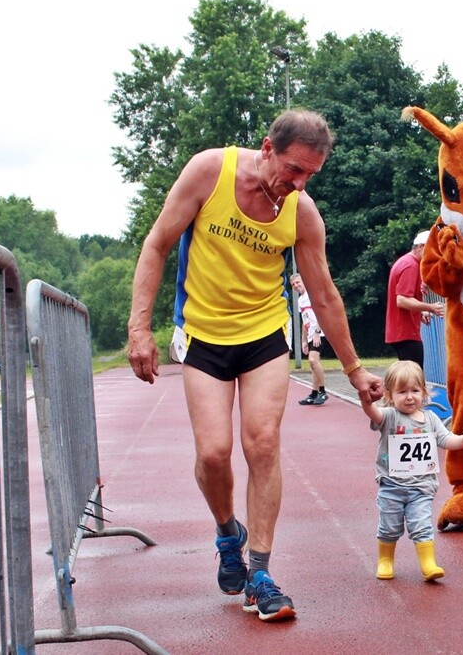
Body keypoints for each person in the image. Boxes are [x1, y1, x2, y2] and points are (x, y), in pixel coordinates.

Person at [126, 108, 384, 622]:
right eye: (293, 169)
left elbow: (325, 295)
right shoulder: (209, 172)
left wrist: (354, 371)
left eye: (311, 174)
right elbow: (156, 244)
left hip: (264, 334)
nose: (299, 183)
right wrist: (138, 330)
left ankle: (261, 574)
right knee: (215, 452)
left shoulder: (302, 213)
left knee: (262, 442)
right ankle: (228, 533)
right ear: (267, 147)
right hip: (203, 333)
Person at [358, 360, 463, 581]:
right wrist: (366, 401)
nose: (409, 397)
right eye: (402, 391)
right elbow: (373, 414)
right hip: (392, 486)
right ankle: (385, 560)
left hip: (422, 487)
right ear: (389, 394)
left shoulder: (431, 419)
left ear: (424, 392)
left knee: (422, 525)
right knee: (389, 526)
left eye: (415, 390)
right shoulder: (389, 416)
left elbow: (445, 440)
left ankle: (428, 564)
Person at [385, 231, 445, 367]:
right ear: (421, 247)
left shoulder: (405, 261)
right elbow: (402, 300)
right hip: (406, 333)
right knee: (415, 379)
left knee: (409, 378)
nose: (434, 256)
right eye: (432, 251)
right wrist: (430, 307)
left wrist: (421, 312)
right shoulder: (410, 266)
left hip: (400, 332)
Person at [291, 273, 328, 406]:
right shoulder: (300, 300)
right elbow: (304, 321)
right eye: (293, 284)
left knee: (313, 360)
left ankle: (323, 392)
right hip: (310, 333)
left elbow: (321, 313)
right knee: (313, 364)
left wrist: (317, 332)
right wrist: (304, 340)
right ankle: (314, 393)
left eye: (298, 282)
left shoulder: (312, 295)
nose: (296, 286)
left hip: (320, 332)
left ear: (304, 281)